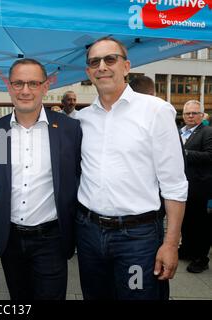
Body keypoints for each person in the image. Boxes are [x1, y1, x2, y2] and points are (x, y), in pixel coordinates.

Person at [76, 36, 188, 300]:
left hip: (137, 239)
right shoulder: (81, 119)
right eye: (95, 62)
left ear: (126, 66)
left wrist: (171, 243)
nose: (102, 66)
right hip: (89, 234)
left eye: (110, 59)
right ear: (88, 72)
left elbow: (174, 184)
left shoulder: (156, 111)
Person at [0, 59, 81, 300]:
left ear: (45, 87)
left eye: (33, 83)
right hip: (11, 238)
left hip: (52, 239)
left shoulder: (69, 129)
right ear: (9, 86)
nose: (25, 90)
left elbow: (79, 175)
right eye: (18, 83)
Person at [178, 100, 212, 273]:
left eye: (194, 113)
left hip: (200, 185)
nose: (190, 116)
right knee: (186, 220)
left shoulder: (207, 131)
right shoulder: (180, 132)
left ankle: (201, 258)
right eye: (187, 113)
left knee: (200, 224)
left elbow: (209, 155)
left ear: (201, 115)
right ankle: (186, 250)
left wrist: (185, 153)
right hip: (183, 186)